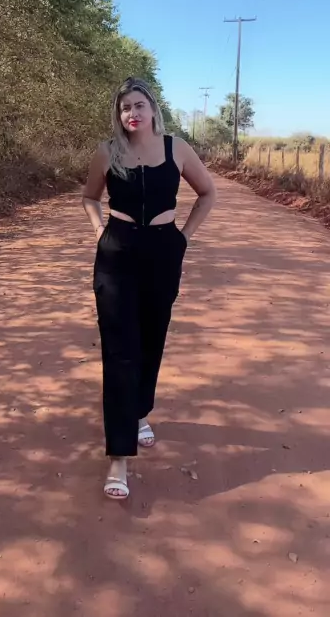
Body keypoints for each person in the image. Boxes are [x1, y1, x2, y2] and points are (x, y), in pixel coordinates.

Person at [82, 77, 216, 499]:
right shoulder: (108, 151)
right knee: (119, 350)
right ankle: (119, 459)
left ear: (153, 109)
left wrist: (183, 238)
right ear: (118, 114)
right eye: (125, 108)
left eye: (139, 105)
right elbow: (90, 198)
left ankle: (140, 411)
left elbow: (207, 193)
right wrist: (100, 231)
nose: (132, 113)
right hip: (117, 254)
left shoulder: (177, 149)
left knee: (151, 339)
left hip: (162, 252)